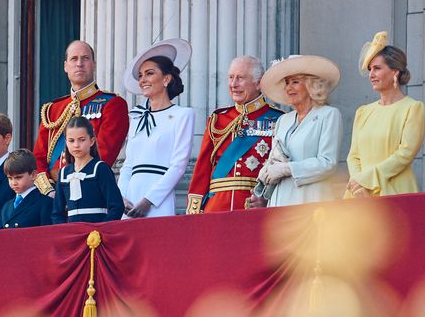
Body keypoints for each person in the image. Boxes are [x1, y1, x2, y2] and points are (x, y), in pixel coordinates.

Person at [185, 55, 284, 214]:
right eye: (231, 78)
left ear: (258, 83)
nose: (233, 84)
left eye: (240, 78)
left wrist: (269, 199)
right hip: (216, 207)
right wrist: (194, 210)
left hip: (254, 207)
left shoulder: (278, 119)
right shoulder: (218, 119)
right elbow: (202, 169)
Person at [248, 55, 342, 208]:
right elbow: (276, 158)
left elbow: (328, 163)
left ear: (312, 85)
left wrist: (287, 168)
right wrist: (267, 170)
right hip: (280, 200)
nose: (288, 88)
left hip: (310, 200)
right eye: (287, 83)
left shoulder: (328, 114)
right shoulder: (283, 120)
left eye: (295, 82)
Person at [118, 39, 196, 218]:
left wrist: (149, 200)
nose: (142, 79)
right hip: (130, 199)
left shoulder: (183, 115)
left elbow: (178, 166)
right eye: (140, 75)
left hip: (158, 200)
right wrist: (121, 197)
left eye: (149, 73)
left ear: (166, 79)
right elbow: (128, 164)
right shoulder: (136, 117)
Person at [33, 40, 129, 181]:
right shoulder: (53, 109)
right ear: (65, 66)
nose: (79, 64)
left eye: (85, 58)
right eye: (74, 59)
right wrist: (47, 189)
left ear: (94, 65)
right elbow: (38, 157)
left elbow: (103, 155)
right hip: (50, 193)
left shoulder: (113, 104)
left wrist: (65, 178)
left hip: (88, 187)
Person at [346, 32, 425, 196]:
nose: (371, 75)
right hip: (359, 192)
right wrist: (359, 186)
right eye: (370, 69)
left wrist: (367, 178)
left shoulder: (413, 108)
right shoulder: (363, 112)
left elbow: (405, 154)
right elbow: (353, 156)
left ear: (394, 72)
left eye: (377, 68)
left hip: (395, 190)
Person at [51, 117, 124, 224]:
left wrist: (101, 229)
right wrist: (65, 232)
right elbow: (57, 213)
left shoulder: (100, 168)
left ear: (91, 141)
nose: (76, 145)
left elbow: (117, 206)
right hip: (72, 234)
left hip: (97, 233)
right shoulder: (63, 173)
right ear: (66, 142)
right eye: (71, 141)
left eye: (82, 139)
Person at [0, 149, 53, 229]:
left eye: (18, 177)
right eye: (10, 178)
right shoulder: (7, 206)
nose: (14, 182)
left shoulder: (45, 203)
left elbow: (47, 235)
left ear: (33, 175)